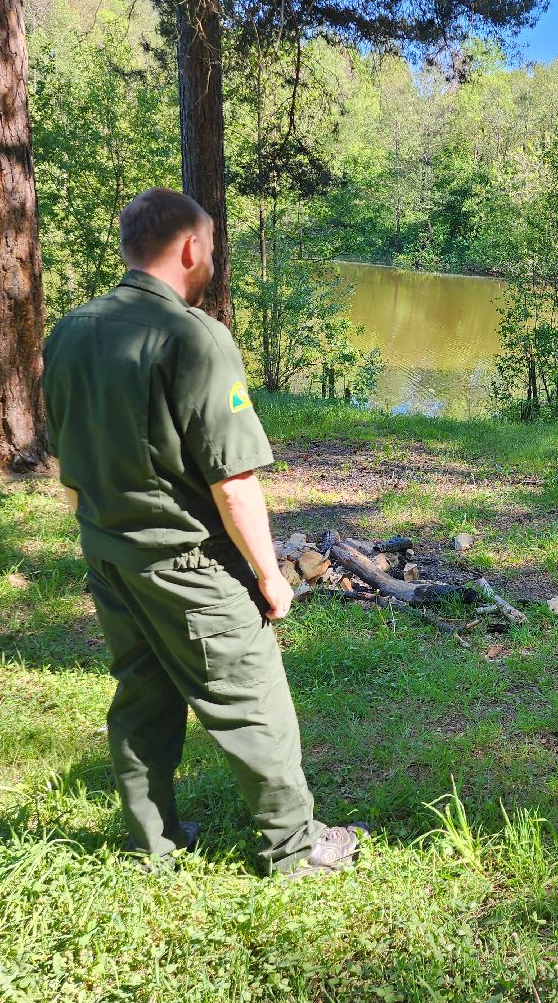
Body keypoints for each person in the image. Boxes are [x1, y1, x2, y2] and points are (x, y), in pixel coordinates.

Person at [42, 187, 364, 876]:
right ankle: (295, 847)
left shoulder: (70, 331)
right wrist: (270, 577)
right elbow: (233, 480)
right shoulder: (194, 337)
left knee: (142, 693)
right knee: (253, 699)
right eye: (212, 246)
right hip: (189, 564)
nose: (213, 259)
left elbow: (67, 460)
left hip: (110, 555)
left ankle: (152, 841)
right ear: (190, 248)